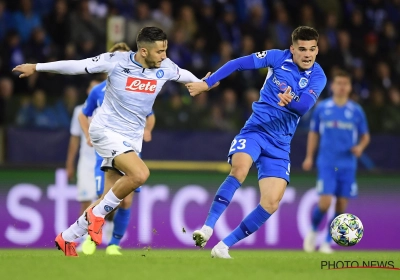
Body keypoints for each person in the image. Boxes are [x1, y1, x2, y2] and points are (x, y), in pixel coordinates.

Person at [13, 27, 215, 257]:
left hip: (132, 138)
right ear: (143, 51)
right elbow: (77, 66)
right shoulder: (117, 61)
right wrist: (37, 67)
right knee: (140, 174)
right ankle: (97, 217)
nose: (164, 56)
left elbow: (186, 75)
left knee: (107, 197)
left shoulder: (165, 67)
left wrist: (203, 83)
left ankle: (66, 238)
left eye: (165, 50)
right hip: (105, 130)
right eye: (159, 51)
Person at [186, 26, 327, 259]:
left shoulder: (318, 76)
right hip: (256, 131)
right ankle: (207, 227)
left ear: (317, 50)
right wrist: (208, 83)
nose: (307, 54)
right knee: (239, 169)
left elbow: (302, 107)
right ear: (292, 49)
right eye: (302, 49)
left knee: (271, 203)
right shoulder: (276, 58)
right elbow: (237, 63)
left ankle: (223, 246)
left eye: (312, 49)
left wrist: (290, 101)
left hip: (281, 144)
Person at [77, 42, 157, 255]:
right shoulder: (98, 90)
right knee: (106, 200)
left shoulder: (139, 86)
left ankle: (114, 244)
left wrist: (147, 130)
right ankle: (90, 239)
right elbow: (82, 114)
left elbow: (150, 116)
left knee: (126, 200)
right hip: (105, 151)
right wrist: (87, 134)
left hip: (130, 149)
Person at [302, 70, 370, 253]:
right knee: (324, 203)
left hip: (348, 164)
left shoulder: (356, 111)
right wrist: (309, 156)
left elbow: (365, 136)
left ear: (349, 87)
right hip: (327, 162)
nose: (341, 87)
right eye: (338, 83)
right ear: (332, 86)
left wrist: (360, 148)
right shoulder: (322, 108)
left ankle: (326, 242)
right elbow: (314, 133)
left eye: (344, 84)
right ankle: (313, 231)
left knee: (341, 205)